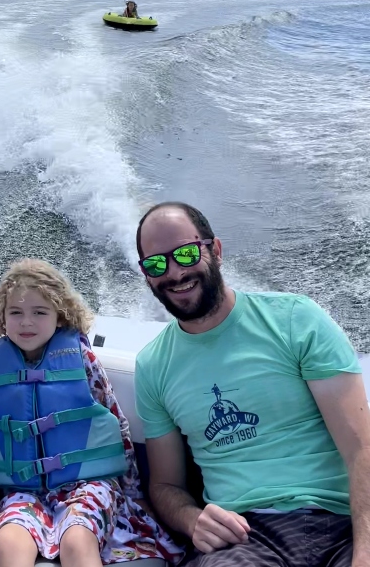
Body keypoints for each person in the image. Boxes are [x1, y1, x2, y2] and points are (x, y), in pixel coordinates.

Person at [134, 201, 370, 566]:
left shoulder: (295, 320)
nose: (175, 272)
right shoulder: (153, 367)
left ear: (215, 250)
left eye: (185, 253)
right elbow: (165, 486)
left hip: (340, 522)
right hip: (244, 538)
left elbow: (361, 449)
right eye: (156, 263)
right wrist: (192, 519)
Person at [0, 259, 183, 567]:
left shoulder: (81, 358)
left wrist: (134, 493)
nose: (26, 322)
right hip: (21, 489)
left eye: (40, 312)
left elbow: (117, 423)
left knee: (77, 540)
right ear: (2, 316)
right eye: (15, 313)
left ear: (60, 316)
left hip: (87, 484)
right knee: (9, 542)